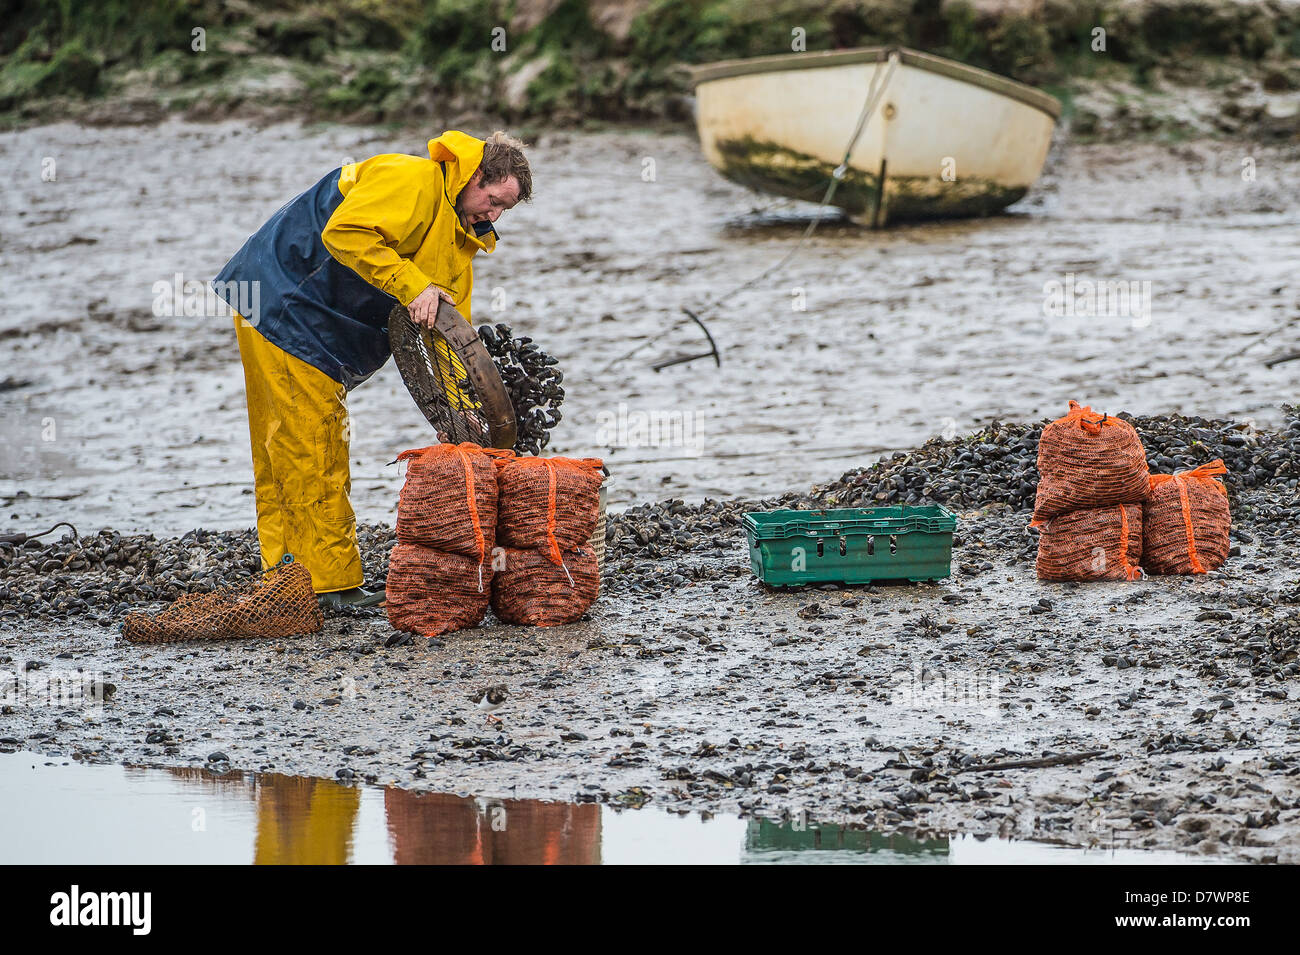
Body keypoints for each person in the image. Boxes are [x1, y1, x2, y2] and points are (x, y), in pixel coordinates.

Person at [211, 130, 531, 607]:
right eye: (492, 198)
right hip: (284, 301)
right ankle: (326, 586)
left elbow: (449, 343)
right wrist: (412, 285)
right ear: (475, 175)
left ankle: (286, 575)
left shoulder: (458, 238)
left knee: (287, 441)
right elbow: (344, 232)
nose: (493, 214)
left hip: (313, 320)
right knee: (310, 443)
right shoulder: (412, 178)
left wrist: (470, 420)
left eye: (505, 209)